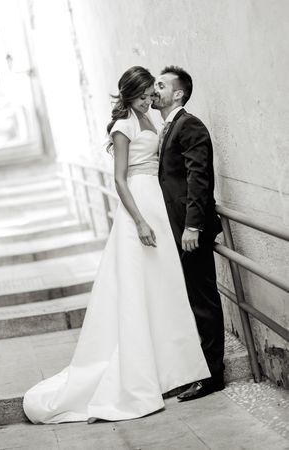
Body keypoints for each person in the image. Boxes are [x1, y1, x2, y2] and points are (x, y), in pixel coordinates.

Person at [23, 66, 210, 425]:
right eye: (141, 94)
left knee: (161, 286)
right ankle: (137, 376)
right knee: (138, 289)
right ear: (128, 94)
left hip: (156, 202)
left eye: (149, 92)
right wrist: (139, 220)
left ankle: (168, 370)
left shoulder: (149, 119)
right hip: (138, 205)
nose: (148, 98)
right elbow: (119, 180)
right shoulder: (124, 125)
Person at [152, 66, 225, 401]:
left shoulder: (189, 125)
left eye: (161, 85)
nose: (155, 89)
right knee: (191, 300)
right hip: (177, 228)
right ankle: (198, 370)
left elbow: (200, 177)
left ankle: (212, 375)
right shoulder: (169, 127)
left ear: (178, 94)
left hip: (190, 229)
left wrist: (193, 225)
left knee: (203, 300)